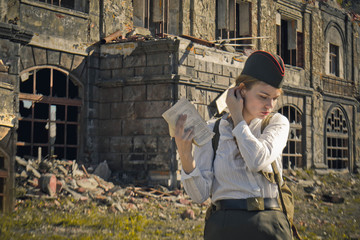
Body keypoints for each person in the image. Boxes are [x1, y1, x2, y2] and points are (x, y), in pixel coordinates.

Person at [174, 50, 292, 240]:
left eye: (275, 98)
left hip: (269, 224)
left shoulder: (276, 123)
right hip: (224, 227)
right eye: (263, 96)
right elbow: (199, 195)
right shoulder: (213, 129)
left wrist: (237, 117)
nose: (270, 105)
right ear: (242, 90)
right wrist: (185, 154)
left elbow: (256, 159)